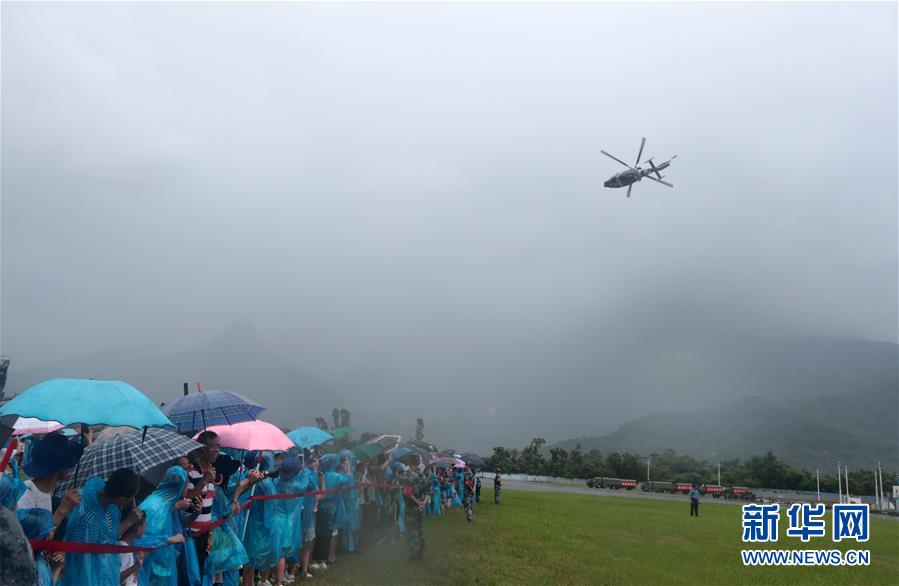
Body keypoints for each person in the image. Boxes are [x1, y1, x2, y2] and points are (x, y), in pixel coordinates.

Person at [61, 468, 142, 585]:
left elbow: (107, 537)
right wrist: (128, 522)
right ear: (121, 499)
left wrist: (129, 521)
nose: (132, 501)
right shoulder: (87, 519)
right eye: (131, 498)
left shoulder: (109, 506)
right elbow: (84, 563)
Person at [137, 465, 192, 585]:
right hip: (148, 571)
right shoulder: (157, 507)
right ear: (180, 487)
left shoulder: (160, 502)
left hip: (156, 566)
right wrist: (172, 539)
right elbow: (141, 541)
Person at [17, 433, 81, 529]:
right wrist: (62, 510)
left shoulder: (46, 491)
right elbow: (34, 536)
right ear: (62, 469)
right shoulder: (25, 498)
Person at [186, 431, 220, 575]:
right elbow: (186, 499)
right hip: (191, 536)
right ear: (201, 448)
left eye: (218, 446)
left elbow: (209, 507)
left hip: (205, 535)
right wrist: (203, 481)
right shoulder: (191, 472)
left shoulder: (212, 472)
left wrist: (210, 533)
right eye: (212, 446)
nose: (216, 450)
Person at [398, 454, 431, 562]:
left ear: (409, 462)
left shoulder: (405, 476)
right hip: (420, 509)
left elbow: (407, 492)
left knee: (411, 531)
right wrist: (423, 504)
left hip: (411, 508)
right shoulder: (423, 476)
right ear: (418, 463)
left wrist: (417, 502)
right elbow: (429, 492)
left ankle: (413, 555)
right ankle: (420, 553)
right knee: (419, 530)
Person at [118, 508, 146, 586]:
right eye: (144, 526)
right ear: (139, 530)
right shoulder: (123, 548)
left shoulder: (125, 548)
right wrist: (136, 566)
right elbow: (118, 577)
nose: (145, 530)